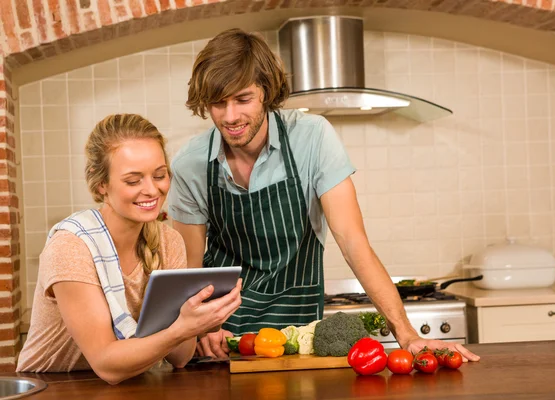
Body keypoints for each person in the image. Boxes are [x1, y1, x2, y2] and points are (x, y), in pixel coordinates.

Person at [168, 28, 479, 363]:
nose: (229, 117)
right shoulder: (191, 163)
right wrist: (200, 330)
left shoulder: (313, 138)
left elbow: (353, 243)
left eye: (242, 99)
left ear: (266, 91)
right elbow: (188, 268)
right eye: (218, 103)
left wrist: (406, 334)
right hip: (219, 340)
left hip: (294, 339)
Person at [16, 114, 242, 384]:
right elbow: (107, 364)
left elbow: (180, 357)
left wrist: (197, 322)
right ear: (101, 184)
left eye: (159, 175)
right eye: (133, 181)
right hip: (53, 388)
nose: (152, 190)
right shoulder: (71, 246)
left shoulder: (168, 242)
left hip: (130, 384)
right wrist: (181, 329)